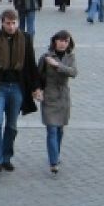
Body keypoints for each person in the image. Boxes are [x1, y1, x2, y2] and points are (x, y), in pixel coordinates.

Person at [0, 9, 41, 174]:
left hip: (17, 88)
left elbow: (31, 65)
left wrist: (35, 88)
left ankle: (6, 158)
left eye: (14, 23)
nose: (11, 27)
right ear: (2, 23)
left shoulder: (26, 38)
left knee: (11, 125)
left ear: (17, 22)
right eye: (8, 23)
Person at [39, 30, 77, 175]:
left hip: (63, 97)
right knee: (52, 129)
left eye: (66, 41)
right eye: (60, 40)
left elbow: (73, 72)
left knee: (60, 129)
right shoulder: (45, 57)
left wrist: (57, 65)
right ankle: (53, 162)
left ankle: (56, 154)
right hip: (49, 96)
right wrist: (37, 90)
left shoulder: (70, 57)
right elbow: (38, 75)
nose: (62, 44)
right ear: (54, 41)